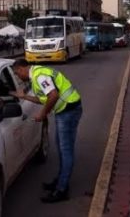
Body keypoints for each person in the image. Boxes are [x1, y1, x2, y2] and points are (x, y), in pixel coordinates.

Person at [10, 58, 82, 203]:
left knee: (65, 150)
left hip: (69, 110)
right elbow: (44, 98)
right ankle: (61, 180)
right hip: (65, 110)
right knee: (61, 148)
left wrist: (42, 114)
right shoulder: (37, 75)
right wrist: (25, 97)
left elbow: (53, 95)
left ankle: (62, 189)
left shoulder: (39, 75)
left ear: (22, 68)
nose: (18, 77)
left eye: (17, 74)